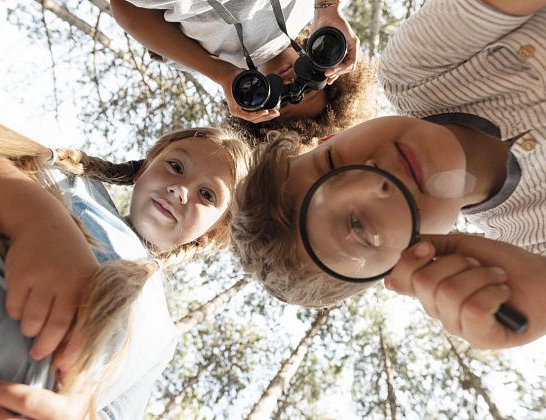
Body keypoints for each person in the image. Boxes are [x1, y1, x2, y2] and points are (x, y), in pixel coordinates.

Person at [231, 0, 546, 350]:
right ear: (405, 262)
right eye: (359, 227)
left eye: (332, 163)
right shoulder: (534, 247)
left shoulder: (415, 73)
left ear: (333, 137)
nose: (376, 183)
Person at [0, 109, 250, 419]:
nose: (180, 189)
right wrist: (36, 218)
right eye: (175, 166)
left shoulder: (163, 338)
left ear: (213, 233)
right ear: (144, 169)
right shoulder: (73, 183)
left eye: (206, 194)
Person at [110, 0, 376, 142]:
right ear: (327, 74)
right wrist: (328, 8)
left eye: (280, 101)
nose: (290, 83)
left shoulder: (209, 60)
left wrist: (222, 74)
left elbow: (124, 7)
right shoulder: (311, 9)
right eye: (308, 90)